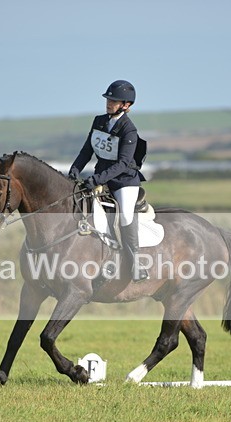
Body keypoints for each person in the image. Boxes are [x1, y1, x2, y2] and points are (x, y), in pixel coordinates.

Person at [69, 80, 149, 281]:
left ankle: (136, 263)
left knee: (125, 216)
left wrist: (96, 179)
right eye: (108, 99)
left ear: (126, 105)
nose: (109, 103)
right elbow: (87, 150)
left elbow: (123, 163)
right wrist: (74, 170)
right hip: (102, 178)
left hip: (124, 182)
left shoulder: (129, 130)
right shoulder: (99, 121)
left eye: (113, 100)